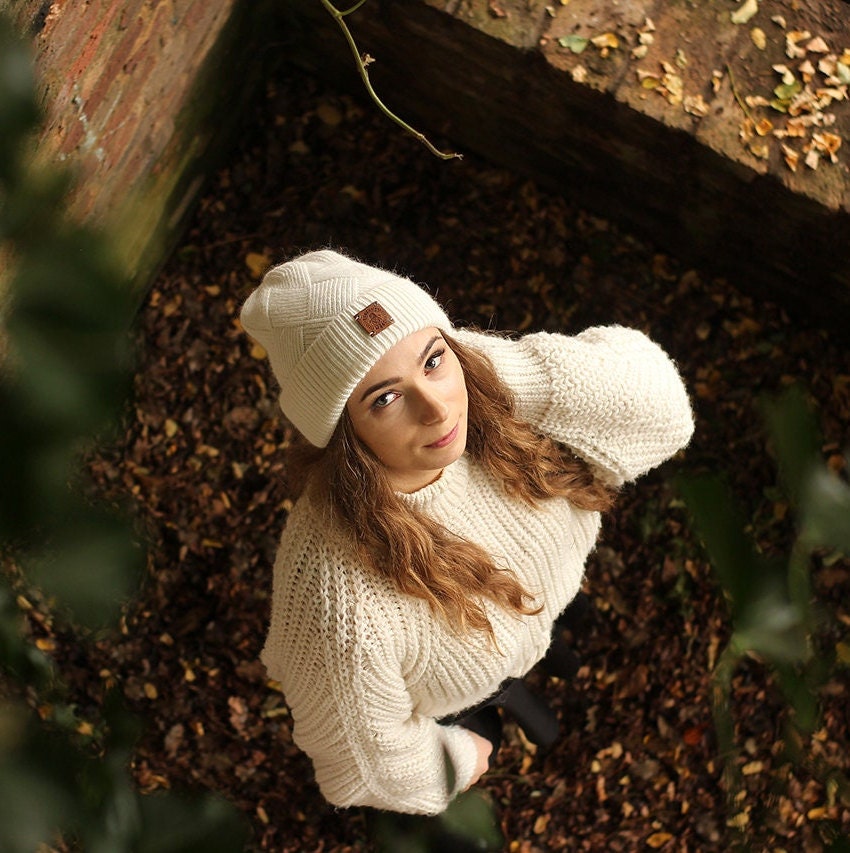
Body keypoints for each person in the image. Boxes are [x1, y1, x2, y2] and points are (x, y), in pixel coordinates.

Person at [239, 249, 694, 821]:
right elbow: (358, 760)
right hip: (466, 701)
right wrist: (457, 759)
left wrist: (494, 377)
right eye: (385, 398)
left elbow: (663, 410)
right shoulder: (337, 601)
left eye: (433, 360)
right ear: (342, 432)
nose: (437, 409)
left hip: (542, 605)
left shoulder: (490, 405)